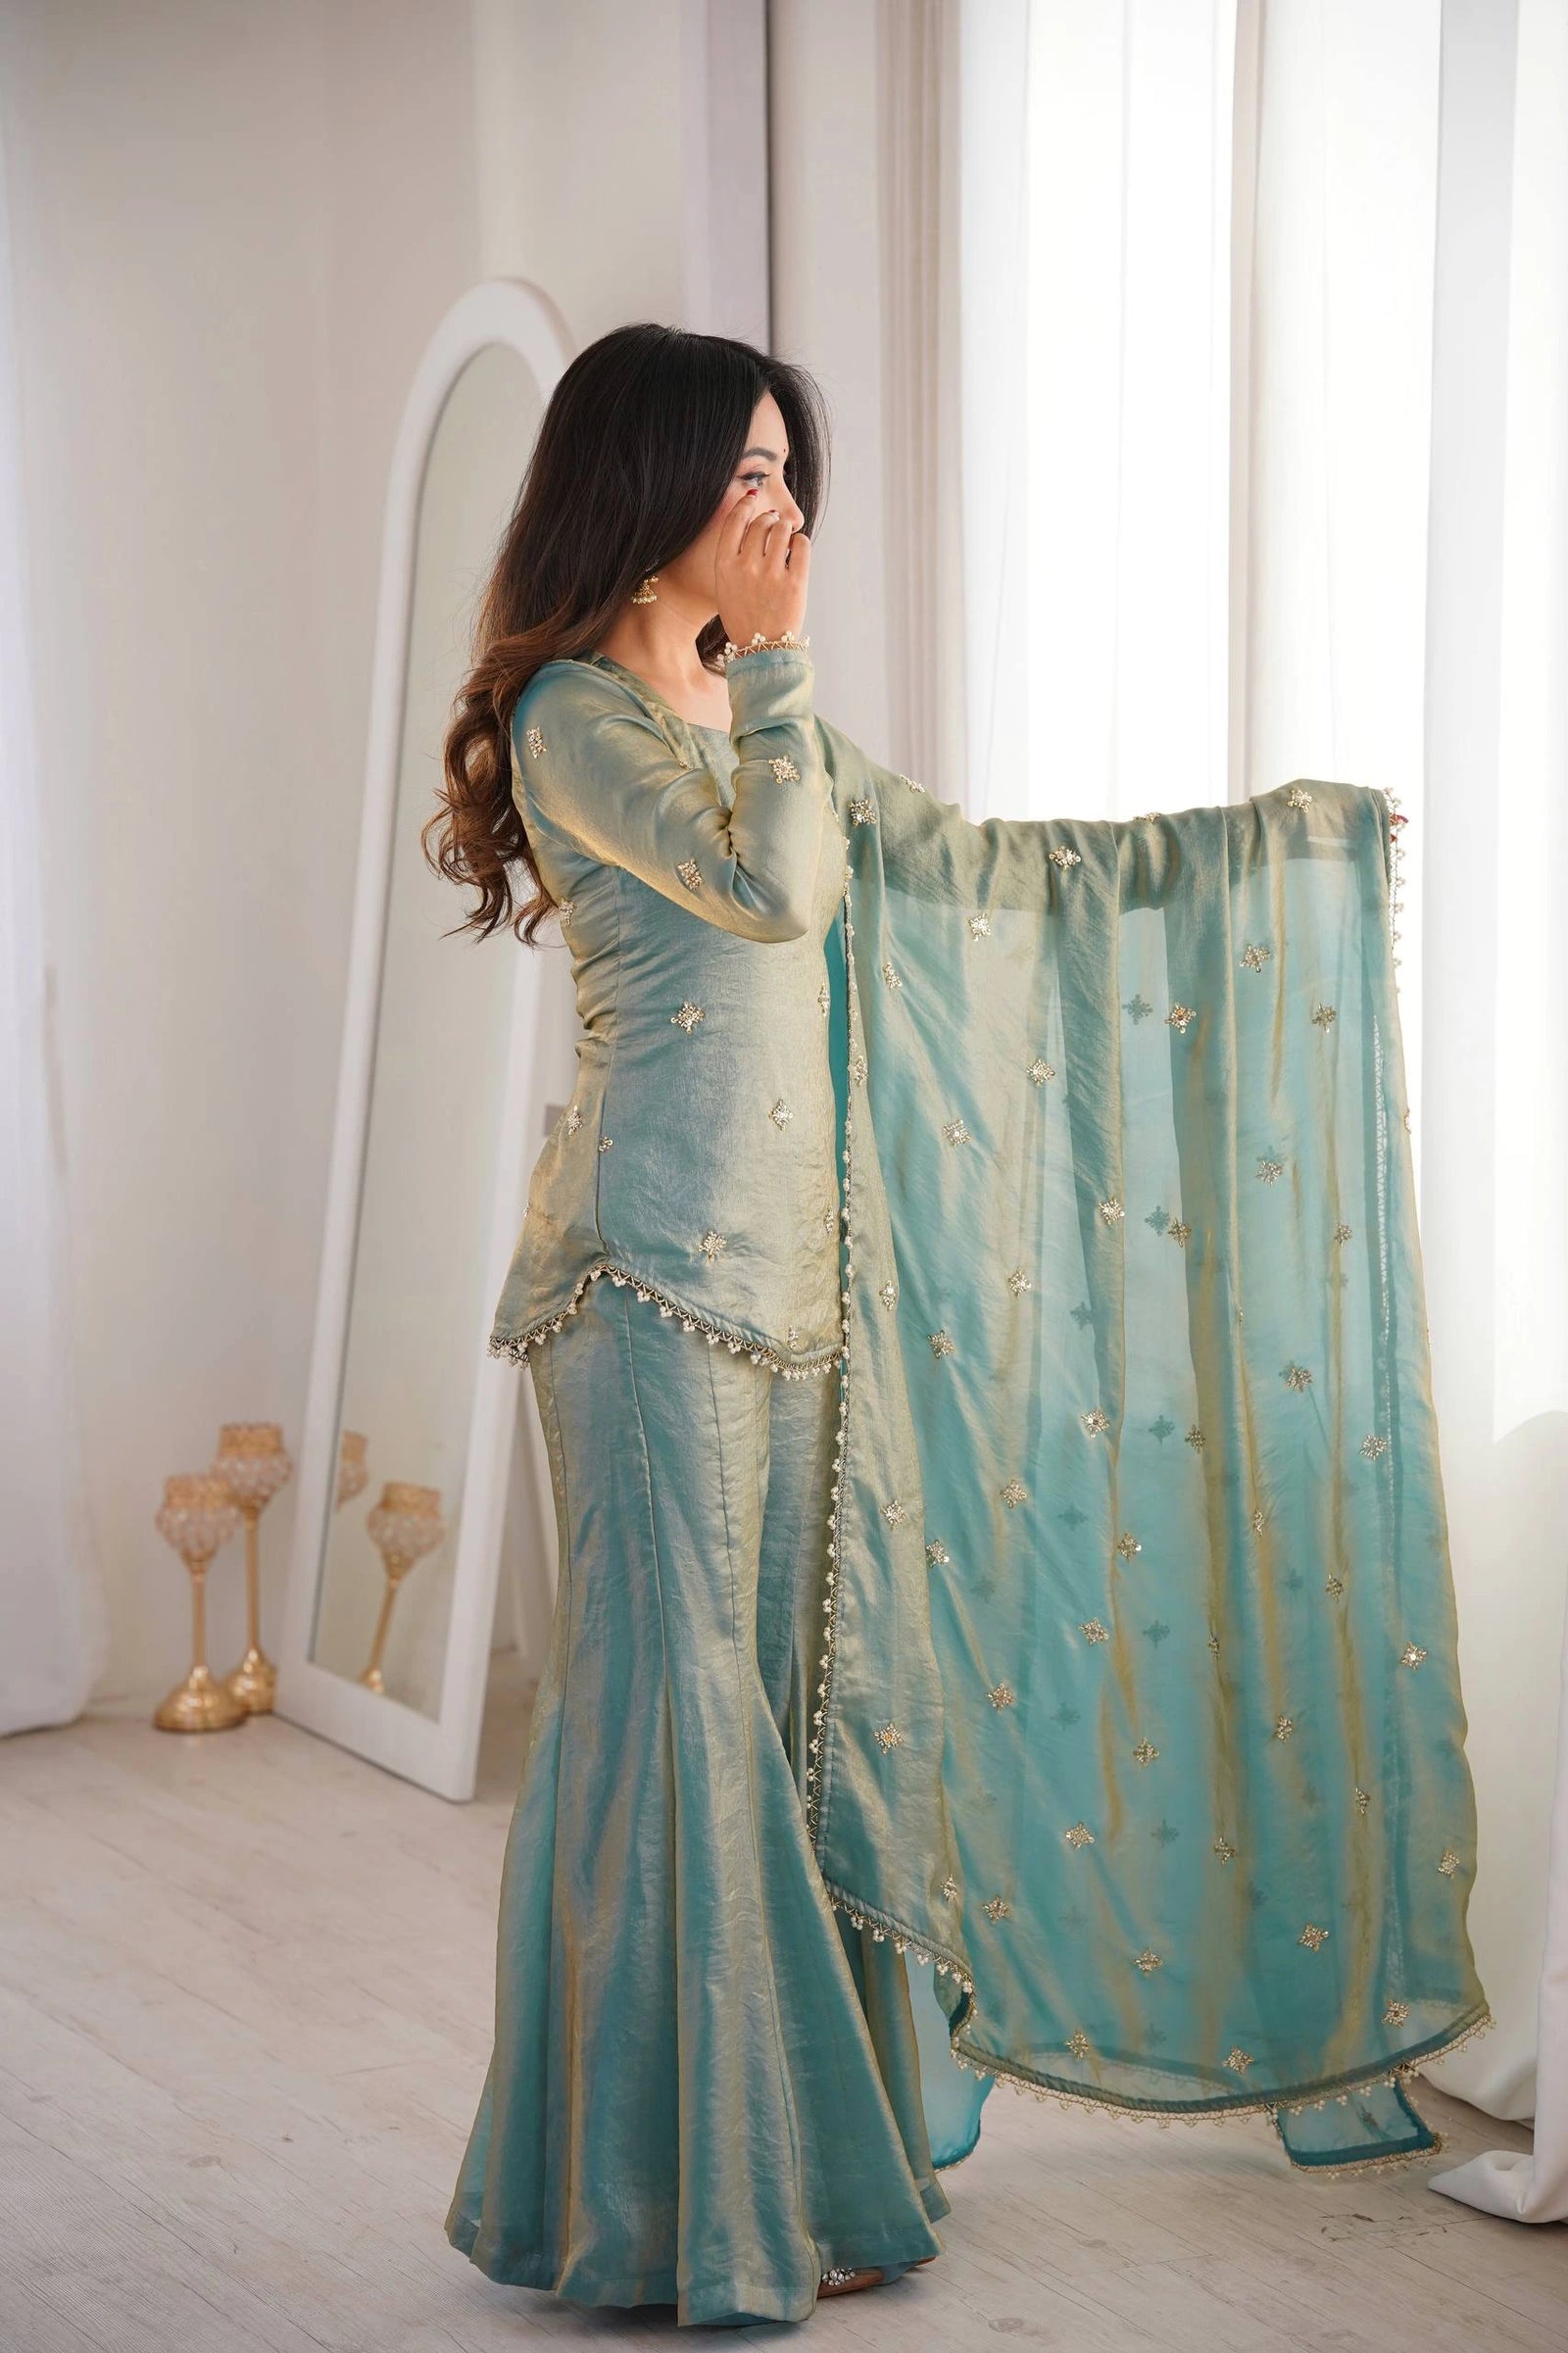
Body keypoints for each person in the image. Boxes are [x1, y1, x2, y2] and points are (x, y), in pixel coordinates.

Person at [428, 325, 1488, 2329]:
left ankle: (790, 2168)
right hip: (645, 1279)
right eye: (746, 473)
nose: (780, 511)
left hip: (796, 1279)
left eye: (787, 474)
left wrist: (1266, 855)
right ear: (645, 487)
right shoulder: (579, 714)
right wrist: (782, 675)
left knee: (779, 1718)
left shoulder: (747, 707)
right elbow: (770, 889)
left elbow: (971, 879)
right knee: (679, 1729)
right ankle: (675, 2208)